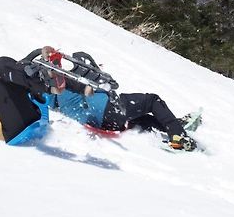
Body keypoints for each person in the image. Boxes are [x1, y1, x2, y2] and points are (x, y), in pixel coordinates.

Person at [47, 58, 197, 151]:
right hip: (109, 109)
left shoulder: (57, 101)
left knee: (142, 118)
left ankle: (175, 125)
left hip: (105, 122)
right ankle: (178, 136)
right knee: (152, 100)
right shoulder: (65, 84)